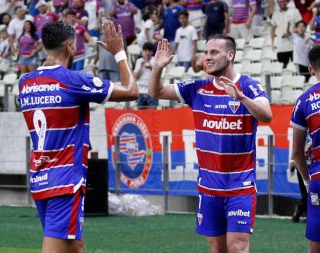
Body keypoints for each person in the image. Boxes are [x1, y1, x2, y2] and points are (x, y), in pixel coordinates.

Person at [18, 20, 138, 253]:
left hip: (40, 178)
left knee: (75, 246)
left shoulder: (25, 83)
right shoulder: (73, 80)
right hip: (65, 181)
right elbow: (131, 90)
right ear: (71, 47)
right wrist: (120, 53)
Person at [148, 35, 272, 253]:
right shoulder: (197, 88)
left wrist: (241, 97)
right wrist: (157, 67)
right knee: (217, 249)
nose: (208, 58)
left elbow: (267, 115)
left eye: (214, 52)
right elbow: (155, 92)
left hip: (240, 187)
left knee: (237, 247)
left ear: (230, 55)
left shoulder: (248, 86)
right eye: (206, 53)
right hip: (208, 187)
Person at [291, 45, 320, 253]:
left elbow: (296, 154)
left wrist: (308, 182)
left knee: (315, 246)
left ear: (310, 70)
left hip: (318, 179)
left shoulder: (303, 101)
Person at [270, 0, 302, 68]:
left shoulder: (295, 11)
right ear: (277, 3)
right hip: (281, 47)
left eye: (283, 1)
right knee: (283, 70)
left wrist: (291, 33)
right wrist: (272, 43)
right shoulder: (275, 14)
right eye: (280, 2)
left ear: (287, 2)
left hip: (293, 47)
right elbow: (272, 29)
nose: (282, 3)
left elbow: (300, 27)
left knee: (295, 69)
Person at [134, 42, 158, 109]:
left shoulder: (155, 60)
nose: (147, 53)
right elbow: (135, 77)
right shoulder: (139, 61)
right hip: (140, 93)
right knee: (141, 117)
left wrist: (151, 67)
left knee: (152, 116)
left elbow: (158, 75)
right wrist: (141, 68)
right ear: (143, 51)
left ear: (152, 52)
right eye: (145, 50)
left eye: (149, 50)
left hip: (152, 93)